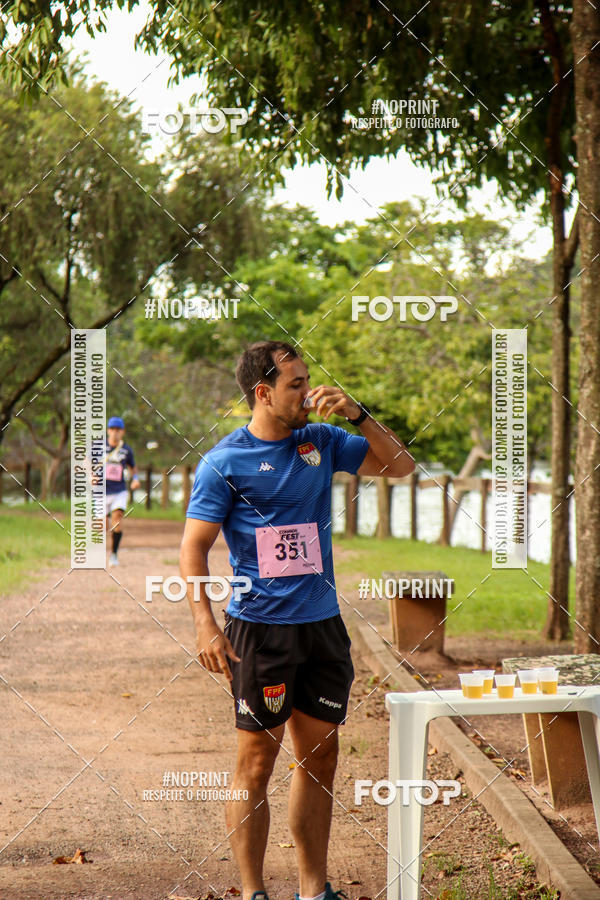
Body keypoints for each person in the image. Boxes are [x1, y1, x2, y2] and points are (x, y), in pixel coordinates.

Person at [179, 341, 415, 900]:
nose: (308, 393)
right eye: (295, 384)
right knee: (257, 761)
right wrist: (205, 624)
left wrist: (357, 413)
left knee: (321, 757)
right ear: (262, 392)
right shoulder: (224, 461)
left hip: (322, 626)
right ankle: (254, 891)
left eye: (309, 380)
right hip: (260, 631)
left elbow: (401, 466)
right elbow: (194, 549)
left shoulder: (322, 441)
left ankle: (314, 891)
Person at [102, 416, 140, 566]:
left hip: (119, 491)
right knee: (103, 525)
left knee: (117, 519)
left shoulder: (126, 450)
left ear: (122, 432)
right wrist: (90, 475)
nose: (115, 432)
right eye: (112, 429)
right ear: (108, 431)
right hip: (101, 492)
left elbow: (132, 467)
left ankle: (114, 554)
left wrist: (135, 478)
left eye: (118, 430)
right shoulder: (98, 447)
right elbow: (86, 460)